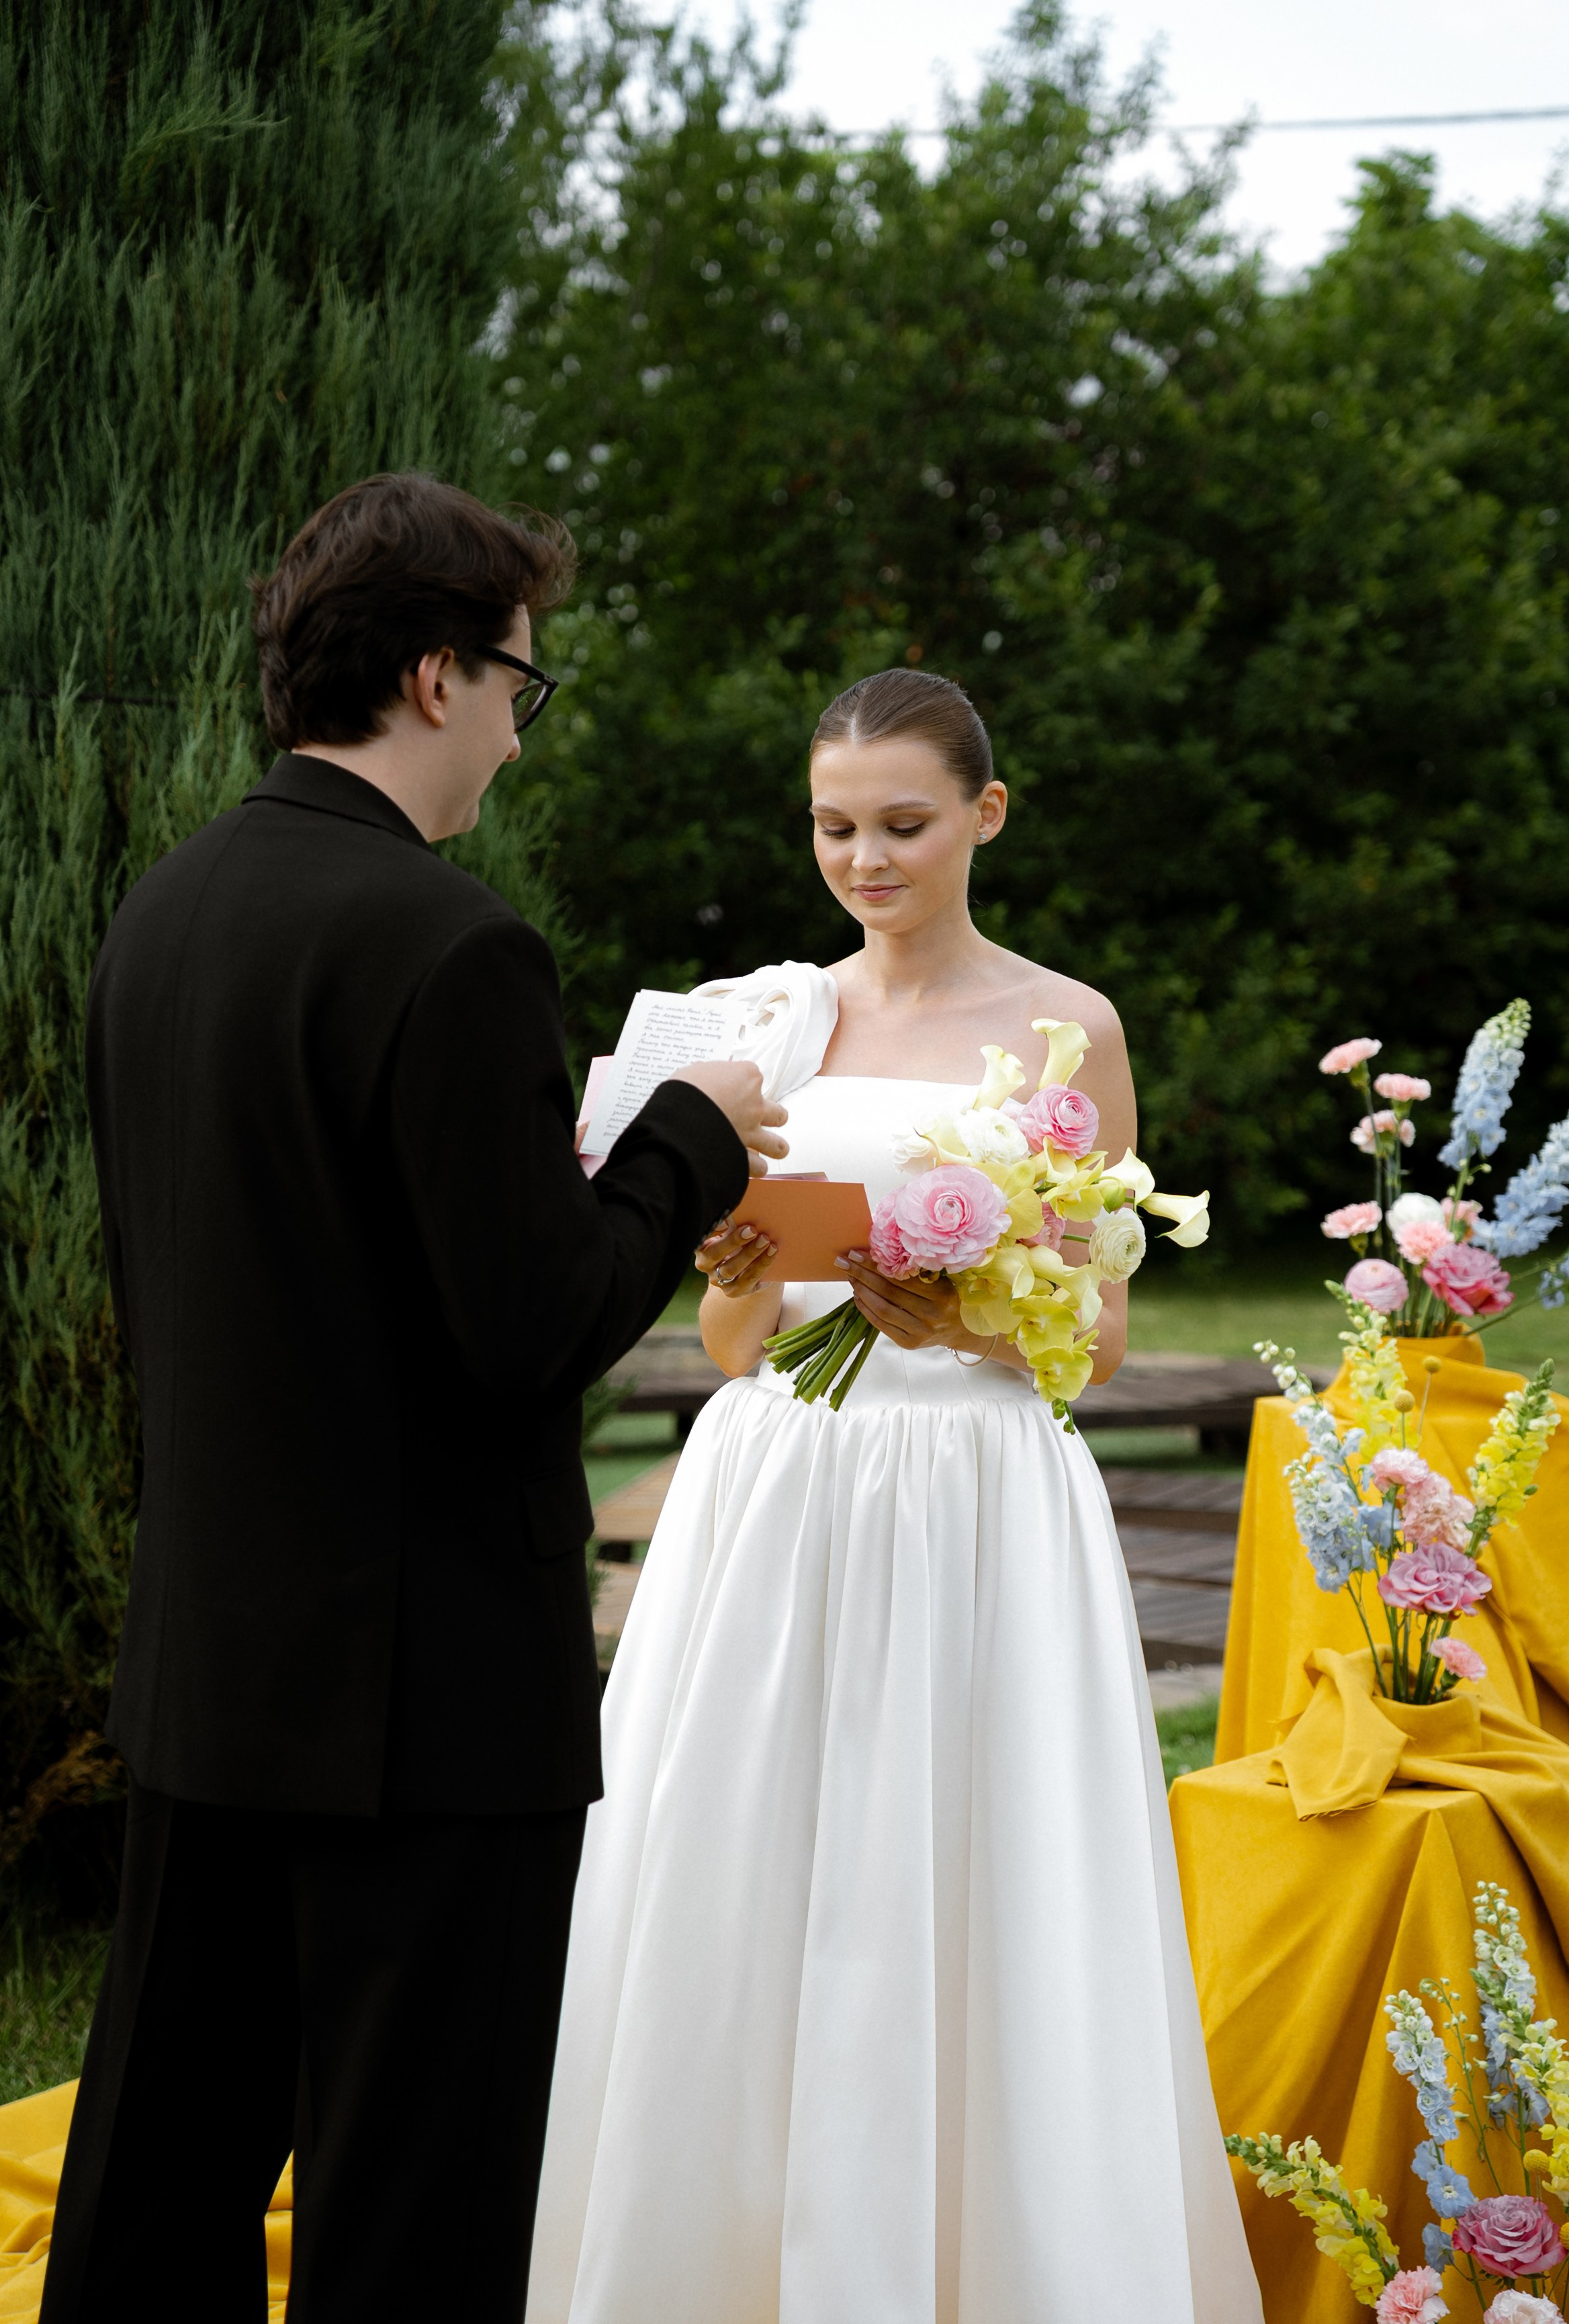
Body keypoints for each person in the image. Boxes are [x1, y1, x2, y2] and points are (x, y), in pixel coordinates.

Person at [40, 472, 784, 2324]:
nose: (523, 742)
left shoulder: (169, 909)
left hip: (214, 1671)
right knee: (415, 2216)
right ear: (443, 675)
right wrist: (689, 1142)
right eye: (528, 690)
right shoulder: (452, 946)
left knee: (153, 2182)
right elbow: (530, 1324)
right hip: (431, 1711)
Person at [527, 668, 1263, 2323]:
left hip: (982, 1492)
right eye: (834, 826)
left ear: (985, 817)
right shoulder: (764, 1020)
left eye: (902, 826)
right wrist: (729, 1267)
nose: (864, 859)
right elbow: (728, 1342)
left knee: (979, 1867)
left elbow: (1100, 1333)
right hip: (782, 1479)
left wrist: (977, 1313)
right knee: (745, 1850)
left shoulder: (1067, 1025)